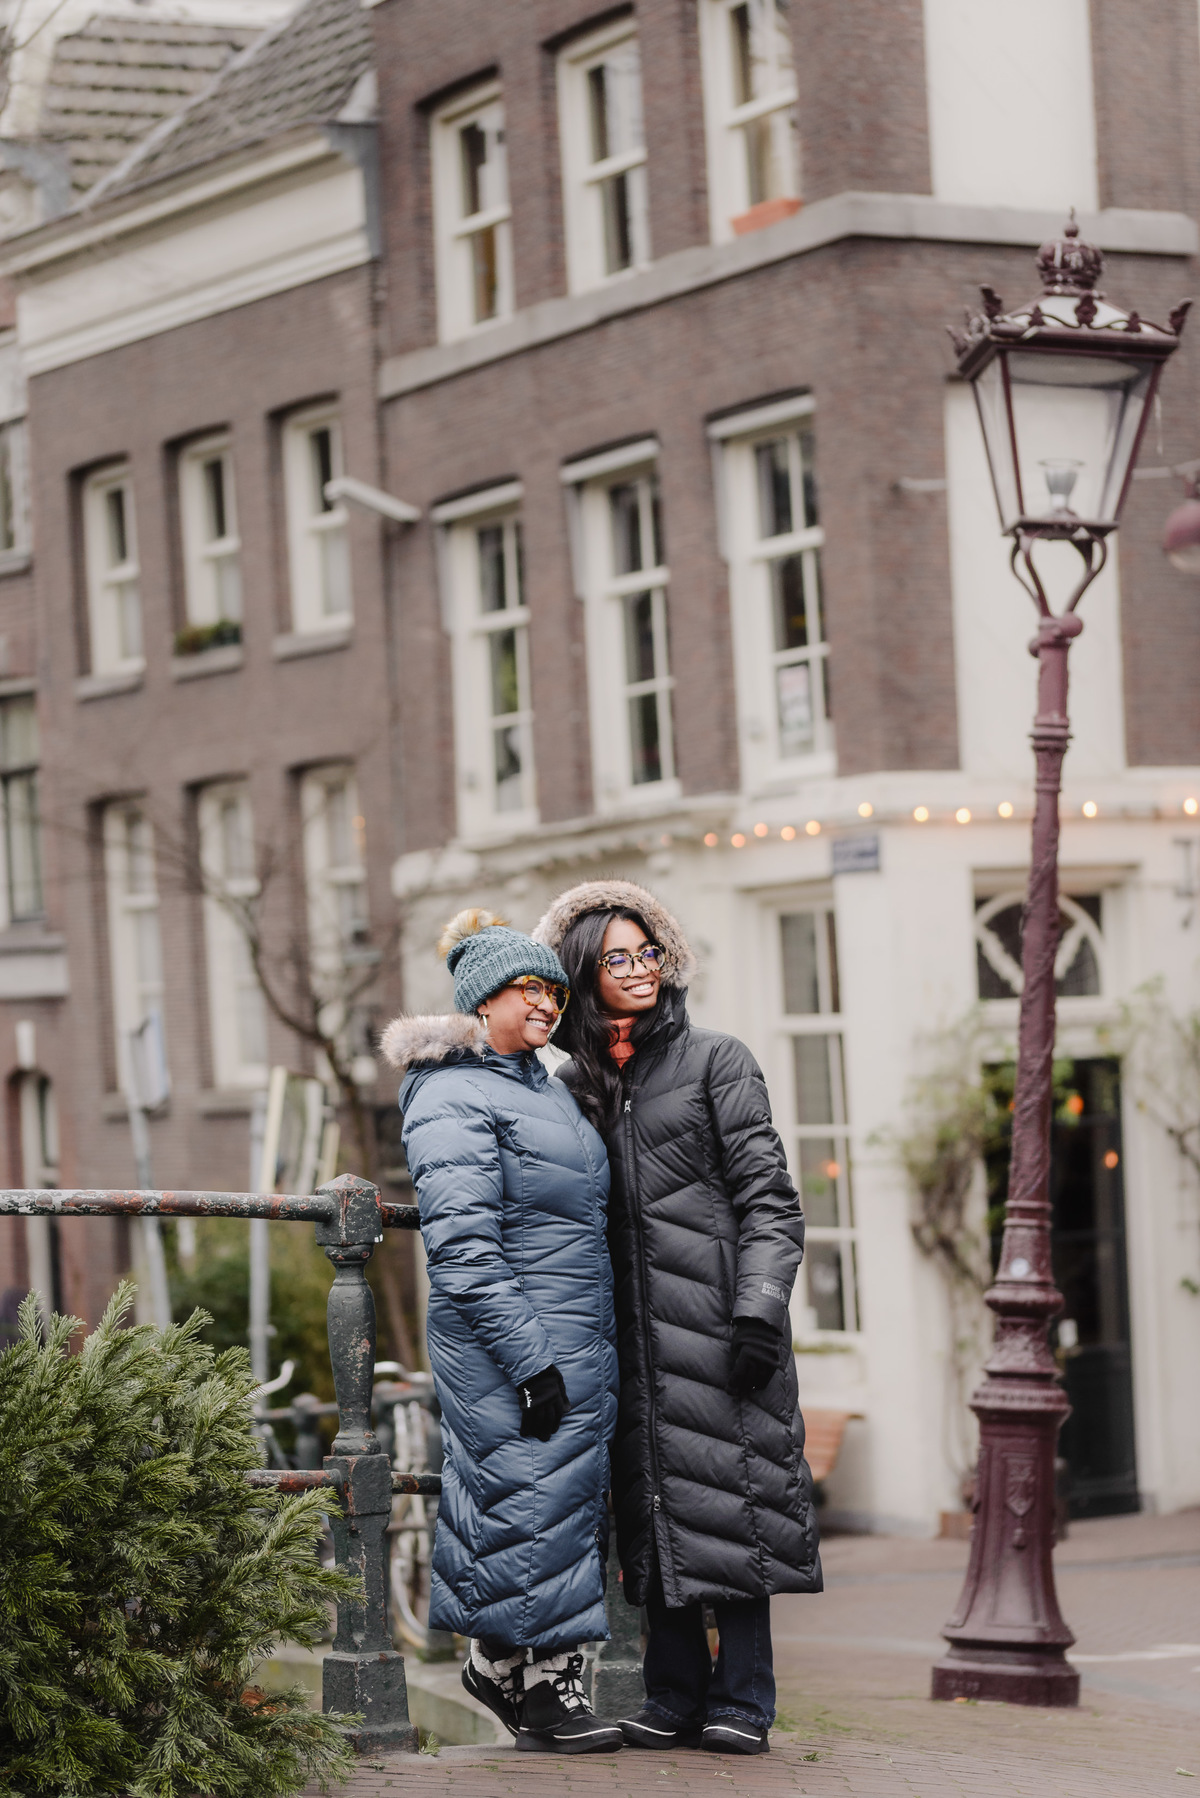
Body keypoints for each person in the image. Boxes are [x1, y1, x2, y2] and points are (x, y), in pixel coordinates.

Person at [533, 879, 822, 1757]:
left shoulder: (716, 1063)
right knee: (649, 1510)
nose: (638, 970)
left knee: (732, 1501)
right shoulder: (573, 1088)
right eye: (616, 958)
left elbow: (772, 1201)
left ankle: (743, 1700)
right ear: (583, 976)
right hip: (623, 1346)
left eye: (646, 952)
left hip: (723, 1329)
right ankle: (671, 1696)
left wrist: (760, 1309)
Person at [381, 909, 623, 1754]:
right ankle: (522, 1676)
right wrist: (529, 1359)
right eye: (532, 989)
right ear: (484, 999)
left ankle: (533, 1672)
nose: (550, 1003)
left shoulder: (539, 1084)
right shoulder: (450, 1091)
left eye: (555, 989)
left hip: (570, 1330)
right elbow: (462, 1244)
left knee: (553, 1500)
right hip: (513, 1340)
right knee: (527, 1491)